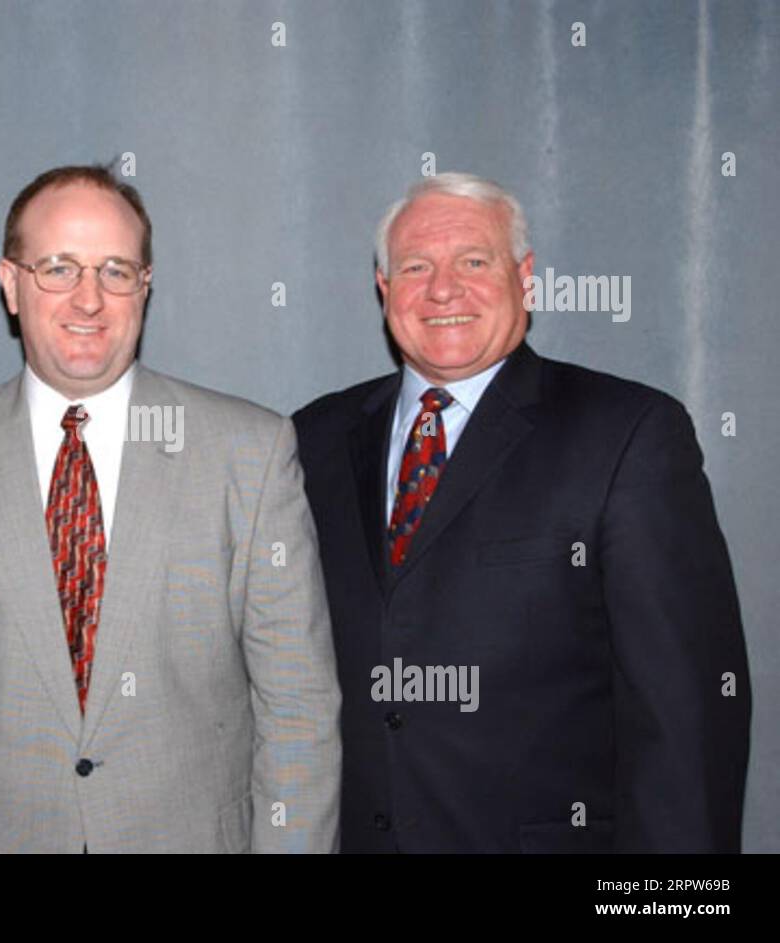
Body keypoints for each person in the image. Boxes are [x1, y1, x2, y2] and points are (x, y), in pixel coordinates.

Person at [0, 164, 340, 853]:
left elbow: (299, 714)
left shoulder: (250, 454)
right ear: (11, 284)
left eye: (115, 270)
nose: (89, 299)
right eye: (58, 268)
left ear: (145, 287)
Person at [293, 172, 751, 852]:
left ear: (525, 278)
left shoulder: (627, 434)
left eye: (474, 261)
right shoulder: (313, 437)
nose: (443, 288)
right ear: (385, 289)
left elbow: (684, 715)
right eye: (416, 266)